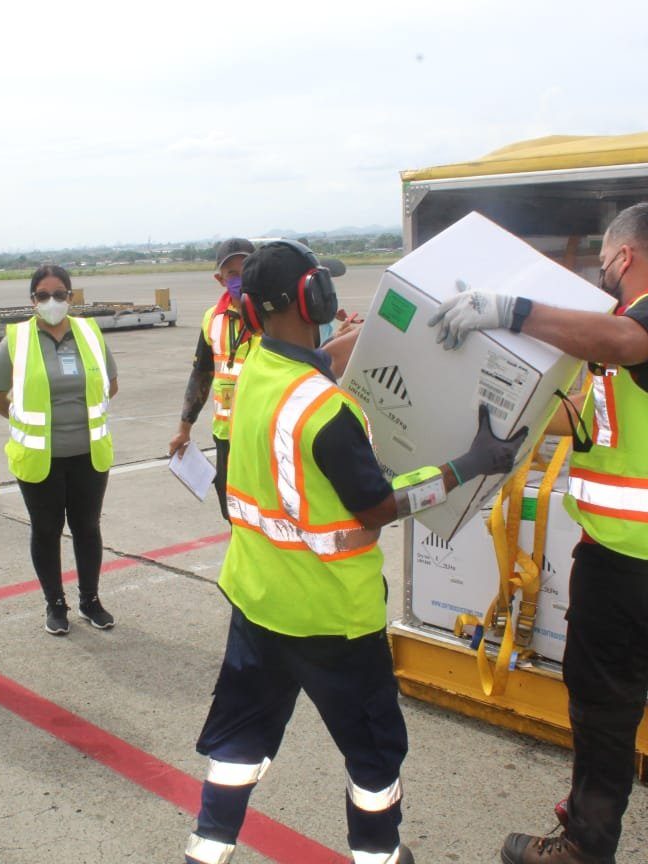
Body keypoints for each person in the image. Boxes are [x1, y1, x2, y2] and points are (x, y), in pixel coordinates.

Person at [429, 202, 648, 864]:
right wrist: (515, 430)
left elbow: (620, 343)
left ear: (625, 257)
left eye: (606, 263)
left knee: (601, 698)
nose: (605, 274)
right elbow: (596, 417)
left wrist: (512, 312)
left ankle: (584, 845)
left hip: (634, 553)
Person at [184, 240, 525, 864]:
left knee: (238, 745)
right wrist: (470, 464)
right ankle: (377, 854)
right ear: (308, 298)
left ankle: (206, 850)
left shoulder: (257, 367)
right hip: (332, 618)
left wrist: (375, 341)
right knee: (372, 753)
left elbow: (314, 363)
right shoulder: (325, 412)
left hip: (258, 604)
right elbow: (377, 506)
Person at [0, 264, 119, 636]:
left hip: (89, 454)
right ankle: (54, 603)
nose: (52, 301)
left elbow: (111, 384)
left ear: (71, 297)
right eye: (43, 295)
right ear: (32, 301)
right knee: (46, 530)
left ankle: (90, 600)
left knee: (87, 528)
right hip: (39, 457)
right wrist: (22, 418)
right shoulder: (16, 340)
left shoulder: (89, 333)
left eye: (60, 294)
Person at [168, 238, 257, 520]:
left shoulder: (275, 316)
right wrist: (184, 428)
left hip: (264, 435)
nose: (240, 278)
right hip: (227, 436)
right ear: (220, 279)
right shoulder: (212, 319)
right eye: (232, 273)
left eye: (247, 269)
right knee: (233, 515)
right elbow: (201, 374)